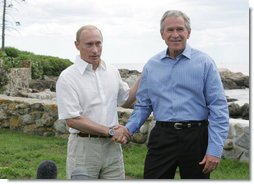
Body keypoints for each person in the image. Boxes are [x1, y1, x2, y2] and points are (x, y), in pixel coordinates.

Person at [115, 10, 229, 179]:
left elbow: (218, 108)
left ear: (188, 33)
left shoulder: (205, 63)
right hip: (162, 136)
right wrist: (128, 130)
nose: (175, 34)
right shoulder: (152, 65)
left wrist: (214, 149)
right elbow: (143, 106)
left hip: (196, 137)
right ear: (162, 34)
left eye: (180, 29)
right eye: (170, 30)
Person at [56, 25, 140, 179]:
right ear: (77, 45)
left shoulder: (112, 71)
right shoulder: (67, 77)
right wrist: (111, 131)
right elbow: (73, 120)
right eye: (89, 44)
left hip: (113, 148)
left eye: (98, 43)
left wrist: (144, 76)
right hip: (84, 148)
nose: (95, 49)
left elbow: (126, 100)